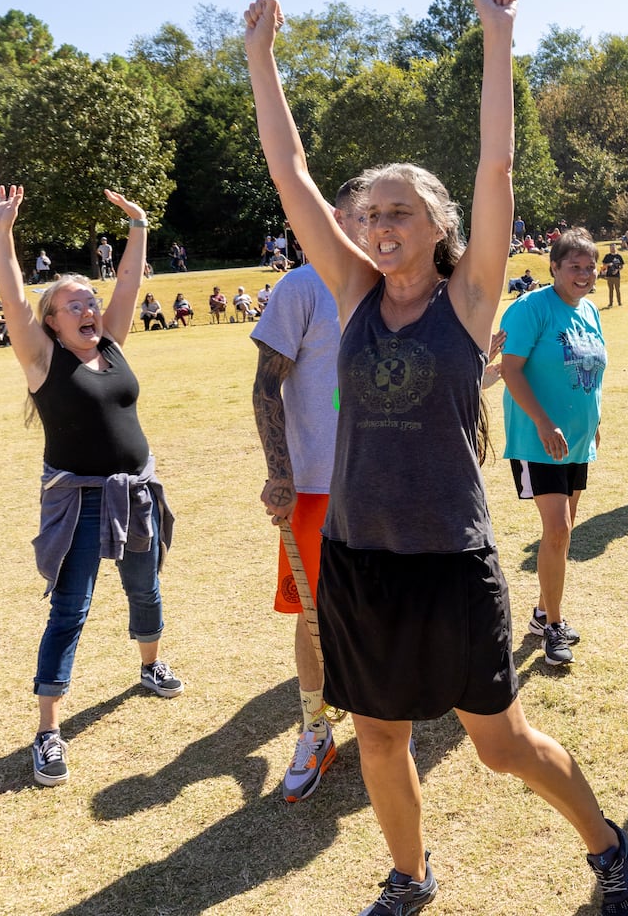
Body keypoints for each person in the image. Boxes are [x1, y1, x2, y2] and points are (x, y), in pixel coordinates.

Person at [246, 0, 628, 916]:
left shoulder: (468, 304)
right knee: (380, 739)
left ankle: (605, 846)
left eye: (398, 214)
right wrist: (261, 60)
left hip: (449, 560)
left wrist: (497, 41)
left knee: (500, 742)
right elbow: (288, 174)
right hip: (358, 559)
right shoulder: (346, 296)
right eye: (369, 215)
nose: (378, 227)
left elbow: (495, 170)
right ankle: (409, 874)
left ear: (439, 229)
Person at [0, 185, 183, 789]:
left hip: (134, 489)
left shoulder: (113, 345)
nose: (88, 308)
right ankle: (48, 729)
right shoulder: (43, 360)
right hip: (79, 498)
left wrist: (138, 226)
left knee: (145, 589)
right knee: (71, 610)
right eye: (73, 304)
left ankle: (149, 667)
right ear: (50, 321)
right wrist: (3, 233)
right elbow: (12, 296)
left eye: (89, 300)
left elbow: (127, 283)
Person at [250, 176, 367, 805]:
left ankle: (379, 710)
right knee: (314, 613)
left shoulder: (392, 283)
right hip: (318, 485)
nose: (372, 227)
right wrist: (279, 472)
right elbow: (266, 386)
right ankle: (315, 725)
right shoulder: (301, 287)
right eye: (359, 214)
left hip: (384, 481)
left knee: (383, 599)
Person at [498, 228, 606, 667]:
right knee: (558, 529)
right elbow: (510, 370)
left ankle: (544, 611)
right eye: (574, 266)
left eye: (589, 266)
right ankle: (554, 626)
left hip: (577, 440)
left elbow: (592, 371)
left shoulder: (591, 310)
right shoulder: (530, 308)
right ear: (554, 268)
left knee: (562, 532)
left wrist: (596, 422)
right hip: (538, 439)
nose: (583, 274)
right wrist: (543, 422)